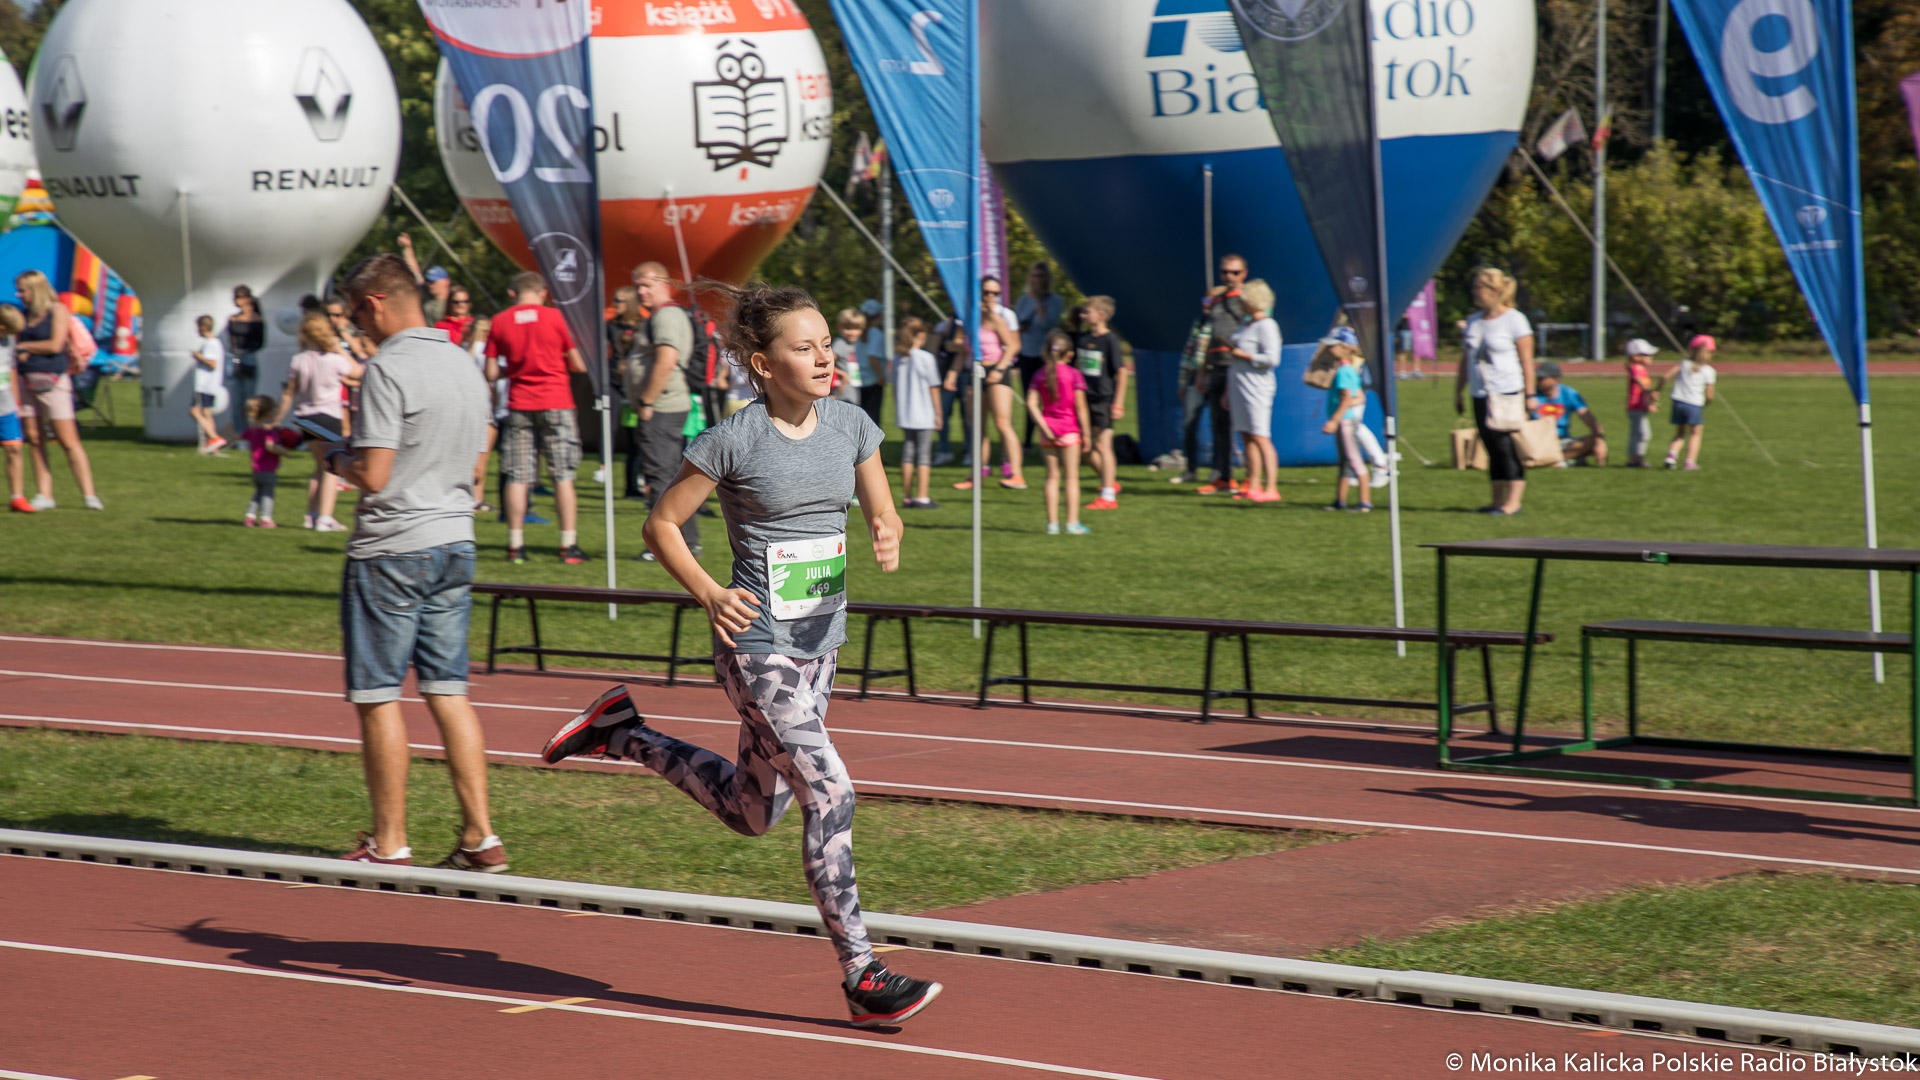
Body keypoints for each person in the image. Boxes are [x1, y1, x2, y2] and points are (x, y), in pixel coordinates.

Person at [539, 281, 943, 1029]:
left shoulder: (853, 425)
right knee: (830, 791)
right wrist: (708, 592)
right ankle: (863, 973)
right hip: (756, 649)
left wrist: (887, 527)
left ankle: (622, 732)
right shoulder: (733, 440)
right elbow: (661, 525)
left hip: (821, 649)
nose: (824, 357)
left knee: (753, 814)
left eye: (827, 344)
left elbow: (880, 503)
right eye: (804, 347)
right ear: (763, 363)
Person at [320, 252, 504, 874]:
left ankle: (390, 841)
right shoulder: (463, 362)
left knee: (377, 696)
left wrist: (331, 455)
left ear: (375, 303)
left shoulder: (386, 368)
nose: (355, 325)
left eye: (355, 313)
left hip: (393, 546)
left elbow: (374, 474)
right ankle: (480, 836)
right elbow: (477, 457)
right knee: (449, 692)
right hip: (456, 540)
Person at [486, 270, 590, 564]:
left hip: (519, 404)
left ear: (512, 293)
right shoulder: (557, 318)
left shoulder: (499, 321)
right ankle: (568, 545)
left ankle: (515, 546)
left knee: (517, 476)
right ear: (543, 293)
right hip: (556, 402)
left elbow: (491, 372)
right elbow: (578, 364)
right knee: (562, 476)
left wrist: (515, 368)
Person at [628, 262, 700, 560]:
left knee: (660, 476)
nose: (641, 291)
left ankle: (668, 546)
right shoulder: (663, 315)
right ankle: (687, 542)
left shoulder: (667, 315)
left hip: (662, 406)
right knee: (668, 475)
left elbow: (666, 361)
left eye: (647, 285)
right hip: (664, 405)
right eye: (637, 286)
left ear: (665, 284)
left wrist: (647, 401)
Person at [14, 270, 101, 510]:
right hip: (25, 380)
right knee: (34, 438)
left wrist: (25, 346)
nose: (18, 294)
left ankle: (89, 495)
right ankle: (45, 494)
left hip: (53, 381)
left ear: (36, 289)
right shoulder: (22, 316)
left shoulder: (57, 310)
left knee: (68, 440)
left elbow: (55, 344)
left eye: (22, 290)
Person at [1454, 266, 1536, 516]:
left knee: (1505, 446)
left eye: (1477, 287)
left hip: (1506, 392)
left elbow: (1527, 361)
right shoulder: (1474, 320)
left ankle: (1513, 502)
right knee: (1490, 446)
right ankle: (1496, 500)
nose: (1473, 292)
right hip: (1480, 393)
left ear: (1494, 289)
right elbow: (1466, 359)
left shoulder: (1514, 319)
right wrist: (1458, 391)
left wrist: (1530, 395)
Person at [275, 310, 362, 532]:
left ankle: (312, 515)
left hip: (305, 417)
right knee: (332, 468)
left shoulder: (299, 359)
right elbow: (358, 371)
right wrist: (340, 349)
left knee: (319, 466)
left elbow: (289, 393)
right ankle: (325, 518)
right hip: (328, 417)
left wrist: (276, 419)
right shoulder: (334, 360)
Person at [949, 276, 1025, 491]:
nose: (991, 296)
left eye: (995, 293)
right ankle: (976, 475)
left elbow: (1012, 346)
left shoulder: (996, 318)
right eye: (987, 292)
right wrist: (952, 374)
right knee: (977, 428)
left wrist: (1000, 370)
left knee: (1002, 423)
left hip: (996, 370)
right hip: (975, 371)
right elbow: (963, 350)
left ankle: (1017, 474)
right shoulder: (969, 319)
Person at [1026, 329, 1092, 535]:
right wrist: (1087, 434)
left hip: (1048, 430)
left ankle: (1052, 524)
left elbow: (1031, 403)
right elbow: (1081, 407)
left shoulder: (1039, 374)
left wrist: (1043, 426)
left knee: (1052, 477)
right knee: (1071, 478)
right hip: (1069, 429)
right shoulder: (1074, 374)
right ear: (1070, 354)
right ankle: (1072, 523)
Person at [1195, 255, 1249, 495]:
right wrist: (1203, 371)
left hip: (1237, 366)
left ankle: (1251, 478)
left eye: (1234, 272)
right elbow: (1211, 336)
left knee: (1245, 425)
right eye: (1225, 272)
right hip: (1217, 365)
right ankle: (1223, 477)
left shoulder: (1246, 300)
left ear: (1244, 274)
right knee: (1219, 424)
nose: (1229, 277)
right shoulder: (1217, 300)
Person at [1225, 279, 1282, 504]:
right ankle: (1253, 484)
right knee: (1246, 436)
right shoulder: (1245, 324)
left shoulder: (1267, 326)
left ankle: (1271, 488)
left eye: (1243, 299)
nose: (1240, 303)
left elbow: (1272, 358)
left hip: (1257, 387)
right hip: (1238, 385)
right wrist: (1227, 392)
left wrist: (1246, 356)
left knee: (1261, 436)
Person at [1072, 296, 1130, 510]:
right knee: (1084, 446)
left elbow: (1121, 372)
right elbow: (1077, 368)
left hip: (1103, 399)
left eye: (1087, 312)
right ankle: (1109, 483)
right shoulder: (1083, 339)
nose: (1083, 315)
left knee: (1103, 445)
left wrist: (1118, 403)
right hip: (1083, 399)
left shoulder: (1110, 340)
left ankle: (1108, 497)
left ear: (1101, 315)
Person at [1315, 327, 1370, 511]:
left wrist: (1334, 420)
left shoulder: (1344, 371)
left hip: (1345, 422)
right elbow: (1359, 397)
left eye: (1333, 346)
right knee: (1345, 462)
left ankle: (1365, 502)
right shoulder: (1347, 369)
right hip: (1346, 421)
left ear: (1344, 347)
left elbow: (1346, 398)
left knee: (1354, 461)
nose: (1329, 349)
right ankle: (1340, 501)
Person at [890, 317, 941, 509]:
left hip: (905, 413)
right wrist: (938, 413)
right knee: (923, 455)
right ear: (920, 335)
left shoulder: (898, 358)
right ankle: (922, 496)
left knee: (908, 454)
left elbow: (894, 387)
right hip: (924, 414)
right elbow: (933, 388)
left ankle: (907, 496)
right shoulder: (926, 358)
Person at [1013, 261, 1064, 448]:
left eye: (1041, 276)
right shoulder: (1023, 300)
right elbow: (1016, 324)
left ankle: (1052, 437)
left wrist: (1039, 301)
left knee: (1049, 399)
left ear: (1047, 278)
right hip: (1026, 355)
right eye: (1035, 276)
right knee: (1030, 399)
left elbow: (1045, 324)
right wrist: (1022, 325)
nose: (1038, 279)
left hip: (1046, 357)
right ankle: (1028, 442)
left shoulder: (1055, 301)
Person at [1533, 361, 1607, 466]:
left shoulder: (1568, 393)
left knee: (1592, 442)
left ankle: (1554, 461)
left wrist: (1599, 439)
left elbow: (1586, 416)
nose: (1538, 380)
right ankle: (1565, 460)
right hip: (1538, 440)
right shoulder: (1531, 395)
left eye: (1542, 378)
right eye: (1538, 377)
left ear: (1556, 379)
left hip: (1562, 440)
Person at [238, 395, 295, 527]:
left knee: (258, 493)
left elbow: (239, 436)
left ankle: (250, 517)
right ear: (269, 413)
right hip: (268, 469)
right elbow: (270, 446)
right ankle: (266, 518)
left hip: (256, 469)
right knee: (268, 494)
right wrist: (284, 452)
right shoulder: (268, 431)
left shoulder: (252, 429)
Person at [1664, 335, 1717, 471]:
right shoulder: (1709, 370)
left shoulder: (1683, 364)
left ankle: (1671, 456)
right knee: (1695, 433)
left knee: (1680, 433)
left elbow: (1665, 376)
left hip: (1678, 402)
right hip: (1694, 404)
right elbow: (1709, 395)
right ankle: (1690, 462)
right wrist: (1707, 403)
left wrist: (1657, 390)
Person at [0, 304, 30, 512]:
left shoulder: (9, 340)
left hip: (6, 404)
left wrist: (16, 404)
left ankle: (17, 498)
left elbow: (11, 370)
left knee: (14, 448)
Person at [226, 285, 266, 437]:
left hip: (249, 357)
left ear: (247, 299)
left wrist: (246, 350)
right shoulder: (233, 318)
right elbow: (231, 339)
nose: (236, 300)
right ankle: (240, 434)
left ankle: (251, 432)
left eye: (239, 296)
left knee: (249, 400)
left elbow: (260, 343)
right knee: (236, 400)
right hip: (234, 358)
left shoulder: (257, 320)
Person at [189, 315, 229, 453]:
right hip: (210, 384)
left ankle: (214, 437)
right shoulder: (215, 343)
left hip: (205, 384)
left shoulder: (211, 343)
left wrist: (198, 356)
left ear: (203, 327)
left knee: (194, 411)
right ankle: (213, 444)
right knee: (206, 413)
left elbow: (212, 364)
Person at [398, 233, 455, 327]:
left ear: (446, 281)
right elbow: (414, 272)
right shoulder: (427, 295)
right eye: (429, 281)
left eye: (433, 281)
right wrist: (407, 248)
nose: (430, 284)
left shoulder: (455, 299)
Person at [1622, 338, 1660, 468]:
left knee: (1640, 433)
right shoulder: (1636, 368)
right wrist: (1649, 392)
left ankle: (1636, 458)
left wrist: (1649, 403)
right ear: (1636, 357)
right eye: (1647, 354)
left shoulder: (1641, 369)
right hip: (1635, 407)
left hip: (1640, 407)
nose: (1651, 357)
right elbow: (1640, 383)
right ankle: (1635, 459)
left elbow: (1642, 392)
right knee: (1642, 434)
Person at [854, 298, 887, 426]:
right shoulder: (876, 333)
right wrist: (880, 375)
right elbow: (873, 356)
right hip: (873, 381)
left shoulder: (862, 333)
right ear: (878, 315)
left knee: (864, 418)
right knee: (873, 419)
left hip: (862, 379)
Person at [831, 308, 865, 405]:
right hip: (843, 389)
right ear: (840, 327)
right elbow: (829, 362)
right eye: (848, 328)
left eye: (856, 328)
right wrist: (842, 374)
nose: (853, 332)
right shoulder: (840, 343)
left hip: (854, 386)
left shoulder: (857, 344)